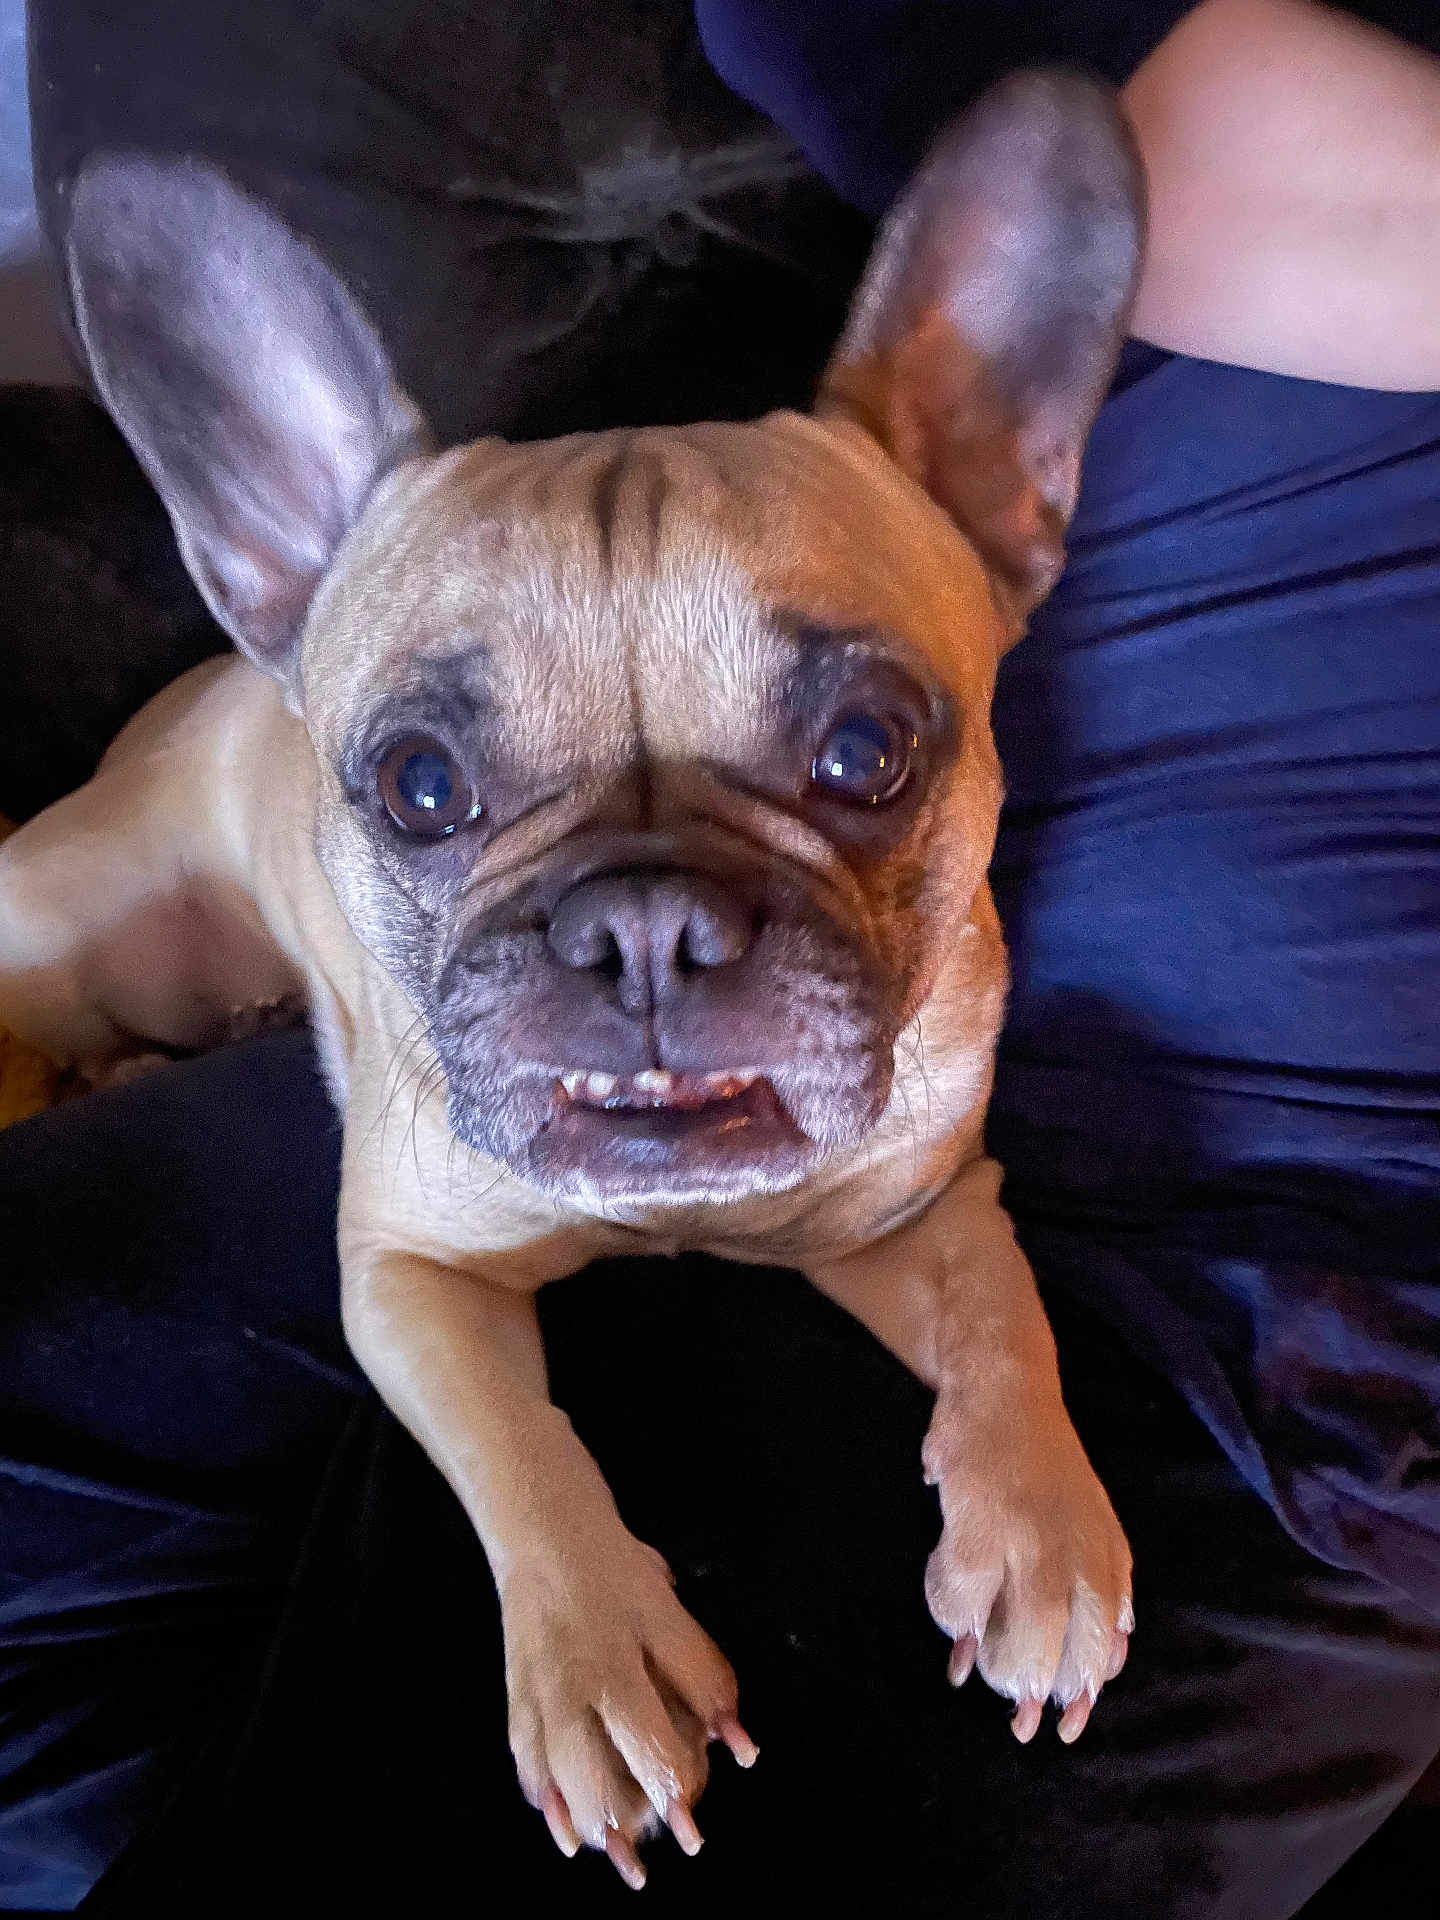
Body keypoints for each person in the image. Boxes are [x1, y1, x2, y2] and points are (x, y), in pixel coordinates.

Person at [2, 1, 1437, 1911]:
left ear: (1017, 491)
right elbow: (412, 1258)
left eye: (854, 756)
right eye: (433, 785)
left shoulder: (930, 590)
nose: (656, 933)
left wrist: (1003, 1406)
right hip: (221, 866)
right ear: (265, 560)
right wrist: (552, 1554)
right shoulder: (308, 668)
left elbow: (924, 1201)